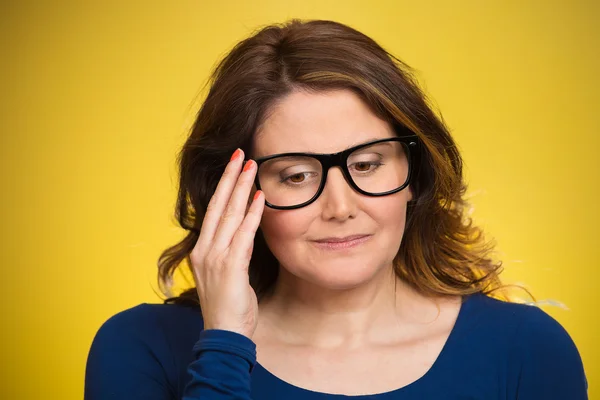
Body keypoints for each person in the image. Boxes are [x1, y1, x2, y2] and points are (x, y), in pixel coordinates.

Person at [84, 19, 588, 399]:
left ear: (416, 176)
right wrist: (223, 346)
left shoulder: (528, 350)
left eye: (367, 165)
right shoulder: (142, 346)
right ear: (231, 195)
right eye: (296, 175)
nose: (341, 206)